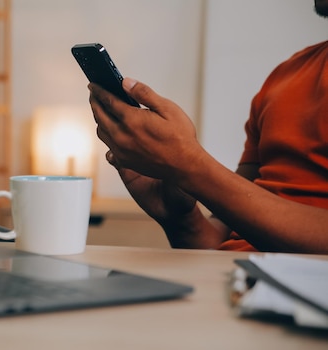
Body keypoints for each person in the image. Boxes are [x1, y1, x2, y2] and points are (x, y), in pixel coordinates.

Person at [87, 0, 328, 254]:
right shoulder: (285, 77)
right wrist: (180, 219)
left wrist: (189, 166)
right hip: (230, 281)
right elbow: (218, 243)